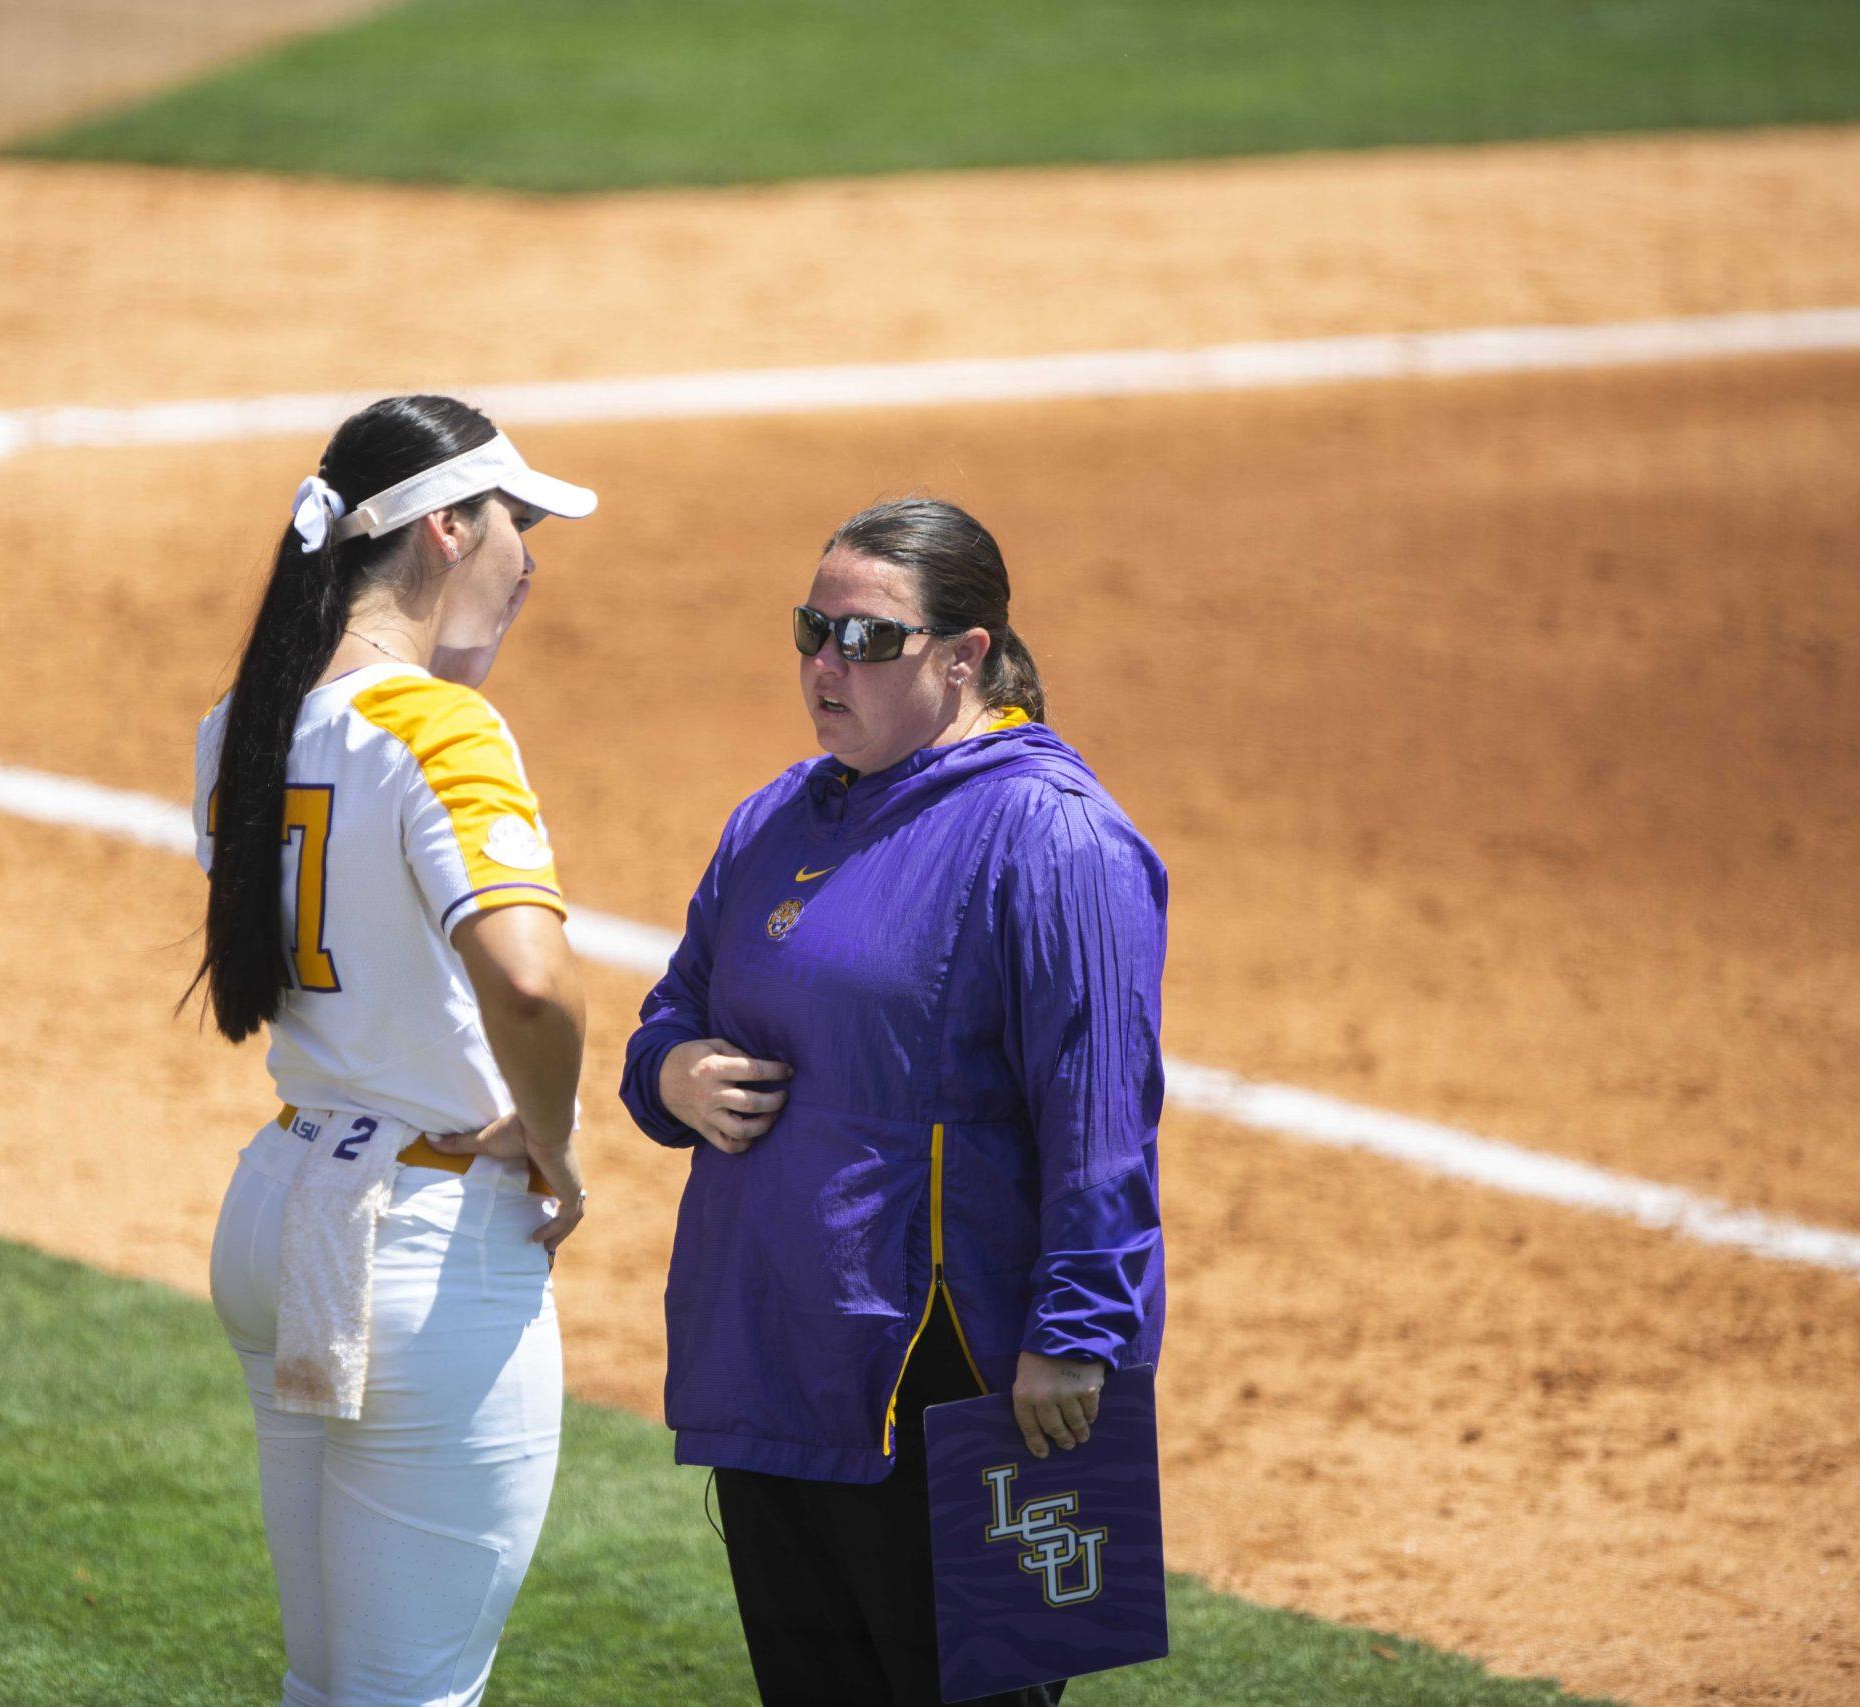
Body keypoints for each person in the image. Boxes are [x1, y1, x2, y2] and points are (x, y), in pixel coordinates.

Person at [619, 498, 1168, 1707]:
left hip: (965, 1380)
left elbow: (1100, 1110)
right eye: (812, 629)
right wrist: (669, 1075)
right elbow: (669, 1016)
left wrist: (1077, 1340)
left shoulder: (1054, 836)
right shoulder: (774, 816)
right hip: (775, 1363)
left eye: (866, 638)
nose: (826, 662)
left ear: (965, 655)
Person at [191, 394, 596, 1707]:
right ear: (443, 528)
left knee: (330, 1687)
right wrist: (554, 1131)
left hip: (289, 1209)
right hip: (423, 1247)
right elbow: (531, 986)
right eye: (514, 521)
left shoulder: (236, 731)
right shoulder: (437, 725)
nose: (527, 556)